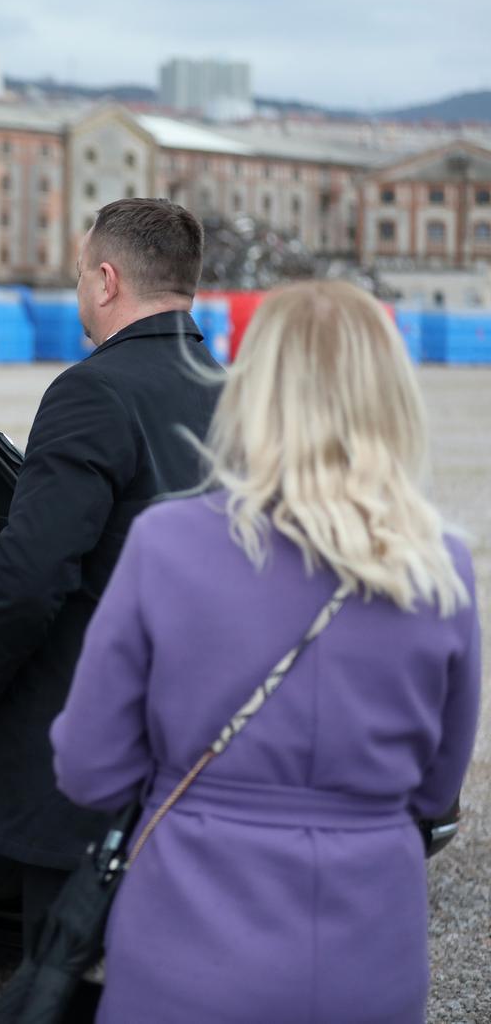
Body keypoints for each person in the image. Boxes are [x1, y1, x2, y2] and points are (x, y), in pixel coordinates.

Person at [52, 280, 480, 1023]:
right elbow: (438, 783)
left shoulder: (168, 541)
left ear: (251, 388)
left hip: (188, 937)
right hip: (370, 944)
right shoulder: (439, 562)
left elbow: (89, 766)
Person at [0, 199, 221, 966]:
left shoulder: (92, 390)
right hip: (204, 738)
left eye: (76, 277)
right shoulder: (237, 390)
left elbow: (32, 571)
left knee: (67, 973)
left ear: (105, 279)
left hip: (95, 752)